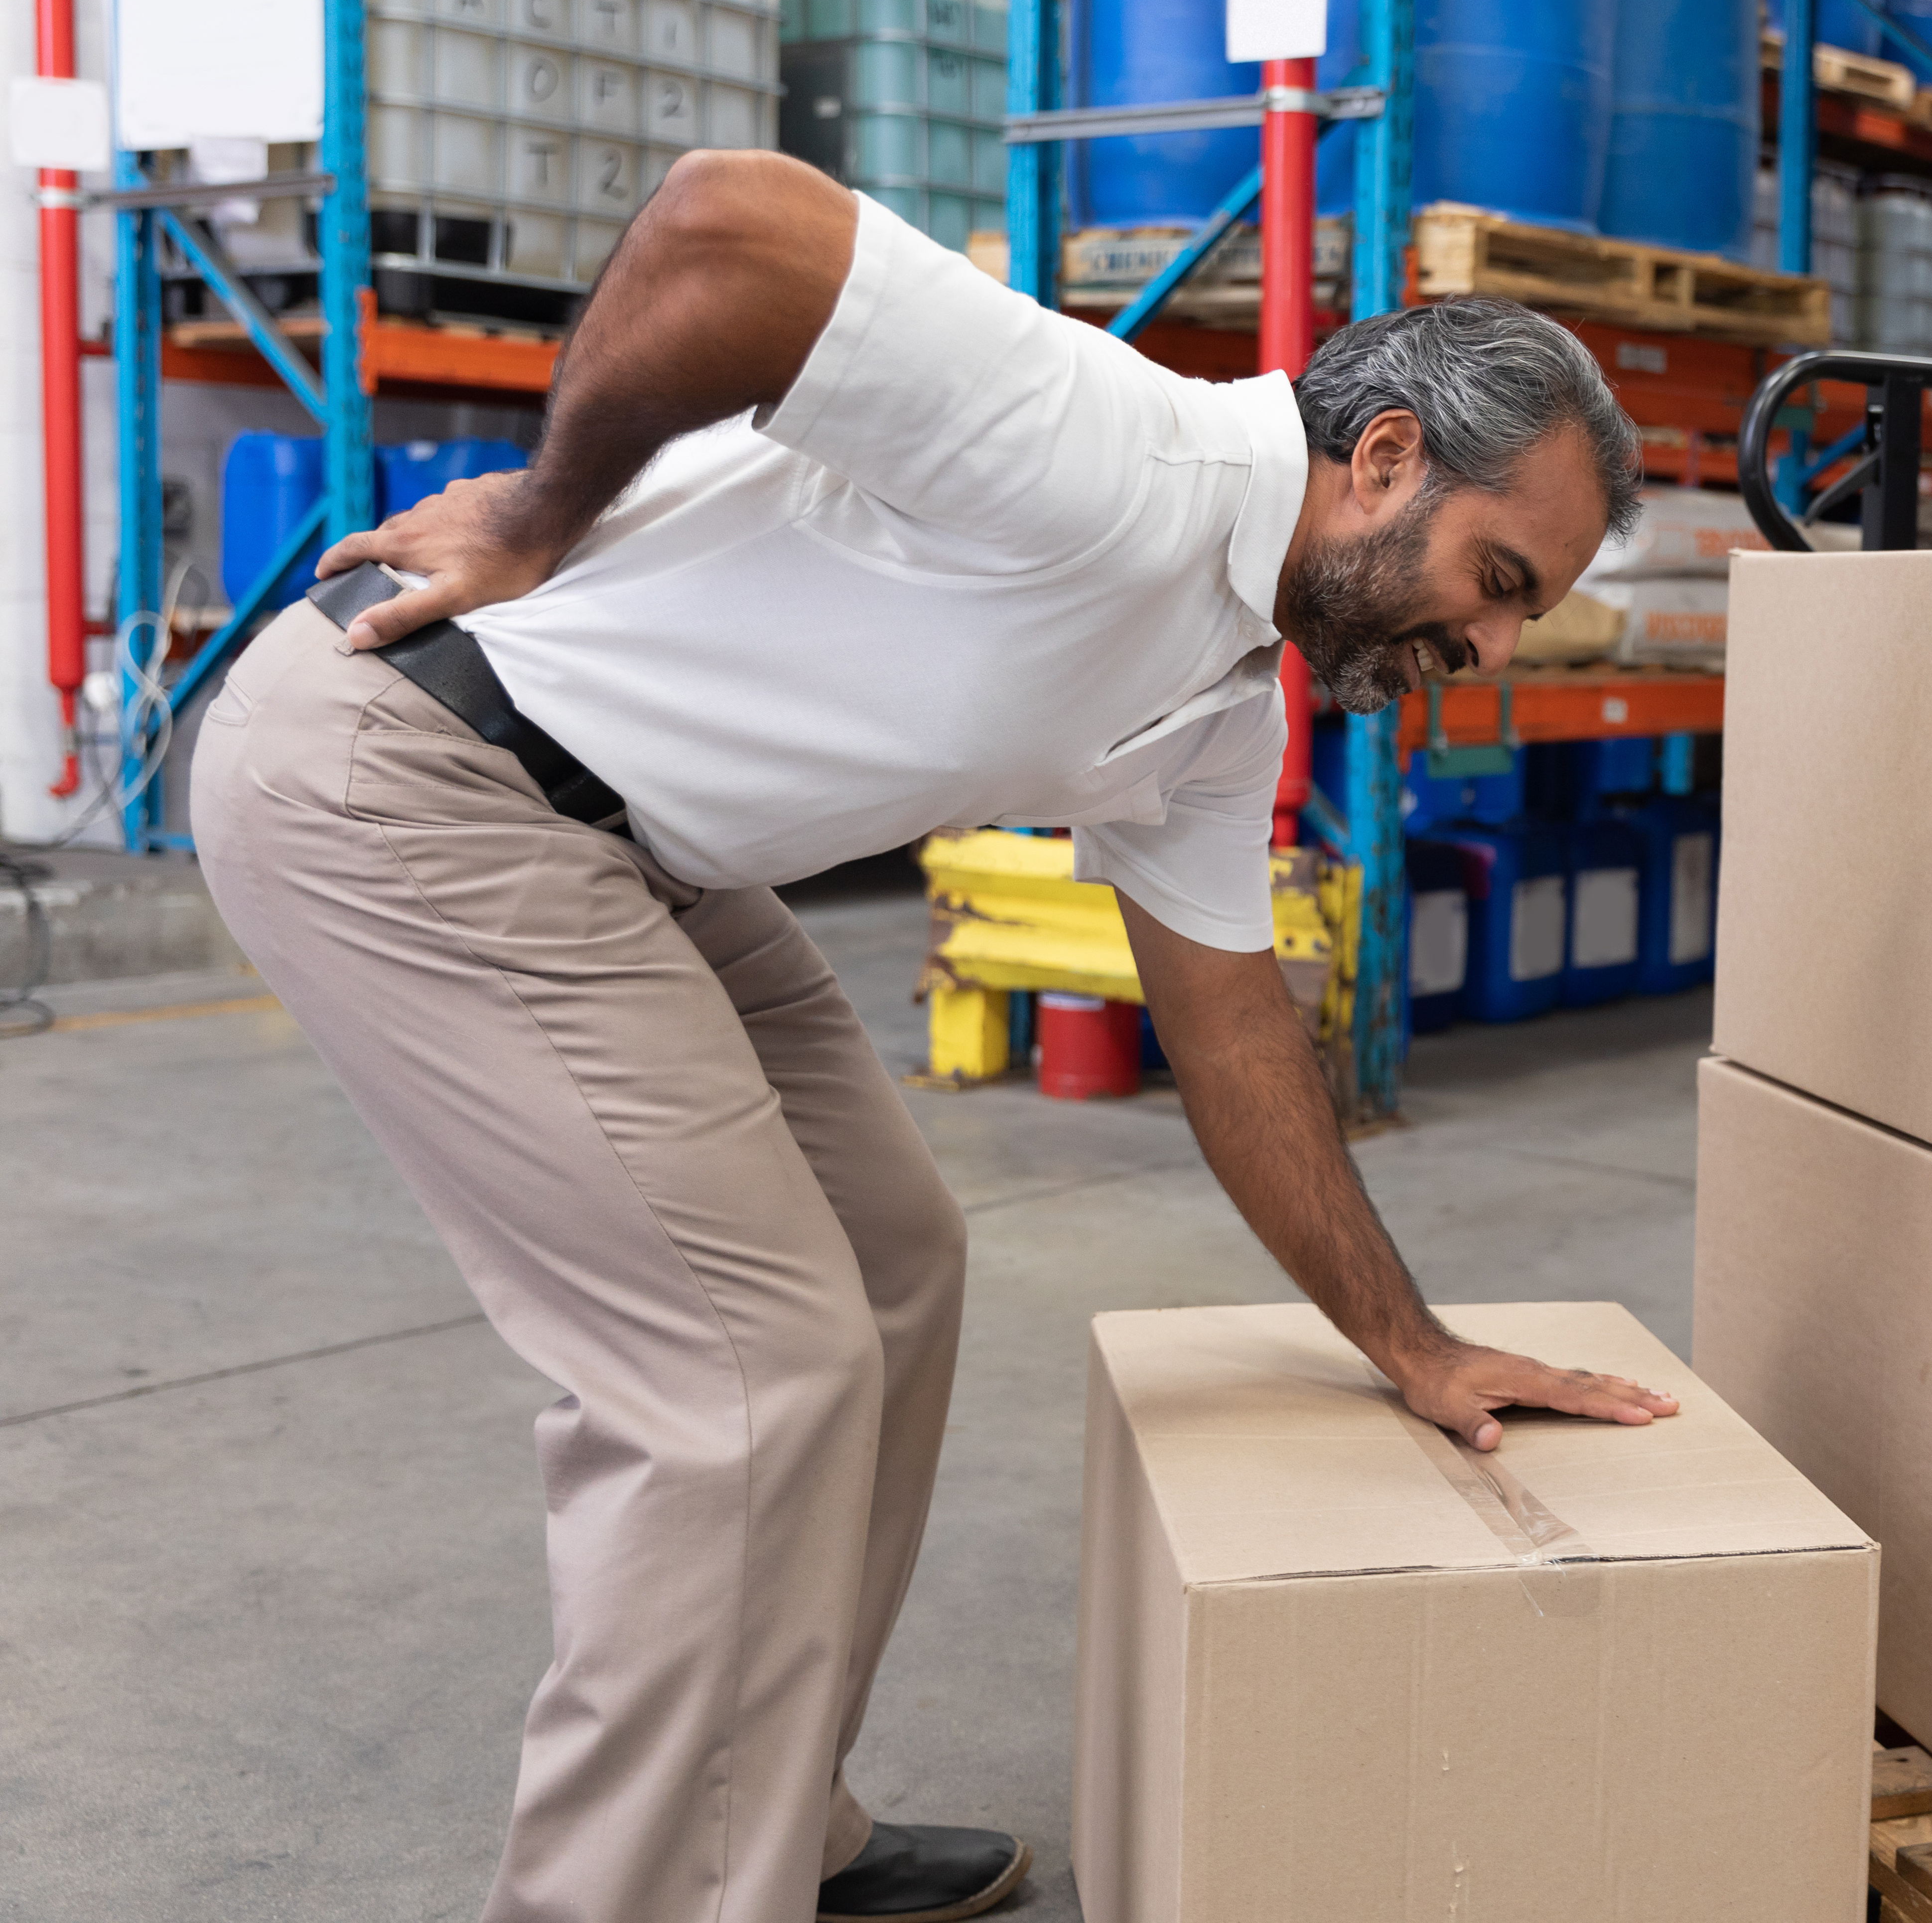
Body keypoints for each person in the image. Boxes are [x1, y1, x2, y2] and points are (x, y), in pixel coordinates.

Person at [191, 150, 1682, 1923]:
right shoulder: (1113, 450)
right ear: (1380, 463)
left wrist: (1412, 1342)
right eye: (1499, 574)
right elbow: (722, 226)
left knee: (899, 1260)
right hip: (418, 774)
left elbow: (1229, 1031)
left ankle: (766, 1824)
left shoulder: (1219, 692)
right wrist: (538, 512)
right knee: (745, 1366)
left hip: (642, 847)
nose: (1498, 642)